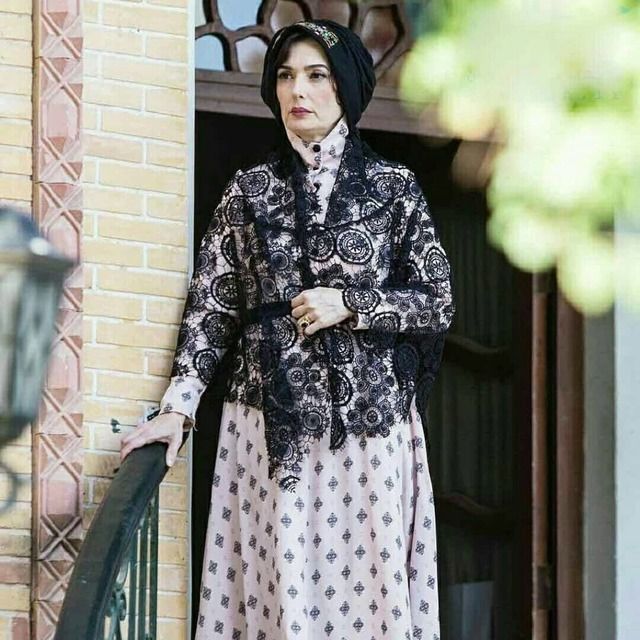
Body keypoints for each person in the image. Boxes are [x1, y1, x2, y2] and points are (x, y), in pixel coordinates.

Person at [120, 18, 455, 639]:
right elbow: (212, 306)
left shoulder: (394, 189)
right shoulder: (250, 192)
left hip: (370, 430)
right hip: (265, 429)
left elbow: (436, 303)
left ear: (345, 85)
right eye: (285, 75)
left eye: (316, 75)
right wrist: (177, 408)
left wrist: (351, 302)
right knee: (277, 591)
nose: (298, 90)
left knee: (369, 597)